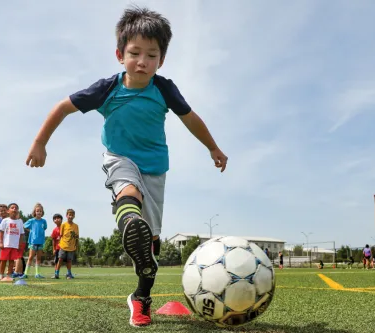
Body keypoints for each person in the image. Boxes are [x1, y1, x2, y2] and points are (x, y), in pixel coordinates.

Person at [25, 6, 227, 327]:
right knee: (127, 192)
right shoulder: (107, 89)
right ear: (120, 54)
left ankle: (141, 297)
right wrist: (40, 143)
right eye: (135, 53)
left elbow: (191, 119)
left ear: (161, 60)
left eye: (151, 55)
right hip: (119, 158)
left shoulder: (164, 88)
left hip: (156, 169)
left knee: (152, 248)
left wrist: (213, 147)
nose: (142, 61)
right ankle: (129, 219)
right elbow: (63, 107)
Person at [0, 203, 25, 282]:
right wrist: (1, 242)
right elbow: (1, 232)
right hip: (6, 245)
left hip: (15, 245)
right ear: (8, 211)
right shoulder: (5, 220)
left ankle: (9, 275)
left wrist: (19, 244)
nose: (14, 209)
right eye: (12, 208)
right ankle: (1, 275)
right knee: (3, 260)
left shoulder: (20, 221)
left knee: (12, 261)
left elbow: (21, 234)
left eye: (16, 208)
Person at [21, 203, 47, 279]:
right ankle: (25, 273)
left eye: (40, 211)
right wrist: (31, 231)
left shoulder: (44, 221)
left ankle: (37, 274)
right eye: (37, 211)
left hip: (41, 242)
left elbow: (44, 228)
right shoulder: (31, 220)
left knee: (38, 258)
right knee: (30, 257)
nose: (39, 212)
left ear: (42, 212)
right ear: (35, 212)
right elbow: (24, 226)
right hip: (33, 242)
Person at [56, 209, 79, 280]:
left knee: (69, 260)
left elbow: (77, 237)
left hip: (71, 247)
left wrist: (76, 245)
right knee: (60, 259)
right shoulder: (63, 225)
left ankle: (69, 273)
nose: (70, 216)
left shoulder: (76, 226)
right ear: (66, 216)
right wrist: (58, 241)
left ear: (74, 216)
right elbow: (61, 235)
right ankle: (57, 273)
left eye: (72, 215)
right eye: (69, 215)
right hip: (63, 246)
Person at [51, 213, 63, 279]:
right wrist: (54, 249)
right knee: (56, 261)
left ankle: (69, 273)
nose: (57, 220)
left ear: (61, 220)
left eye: (58, 218)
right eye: (55, 219)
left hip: (64, 247)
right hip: (58, 248)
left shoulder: (64, 227)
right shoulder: (54, 230)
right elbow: (53, 240)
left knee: (67, 261)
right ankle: (56, 274)